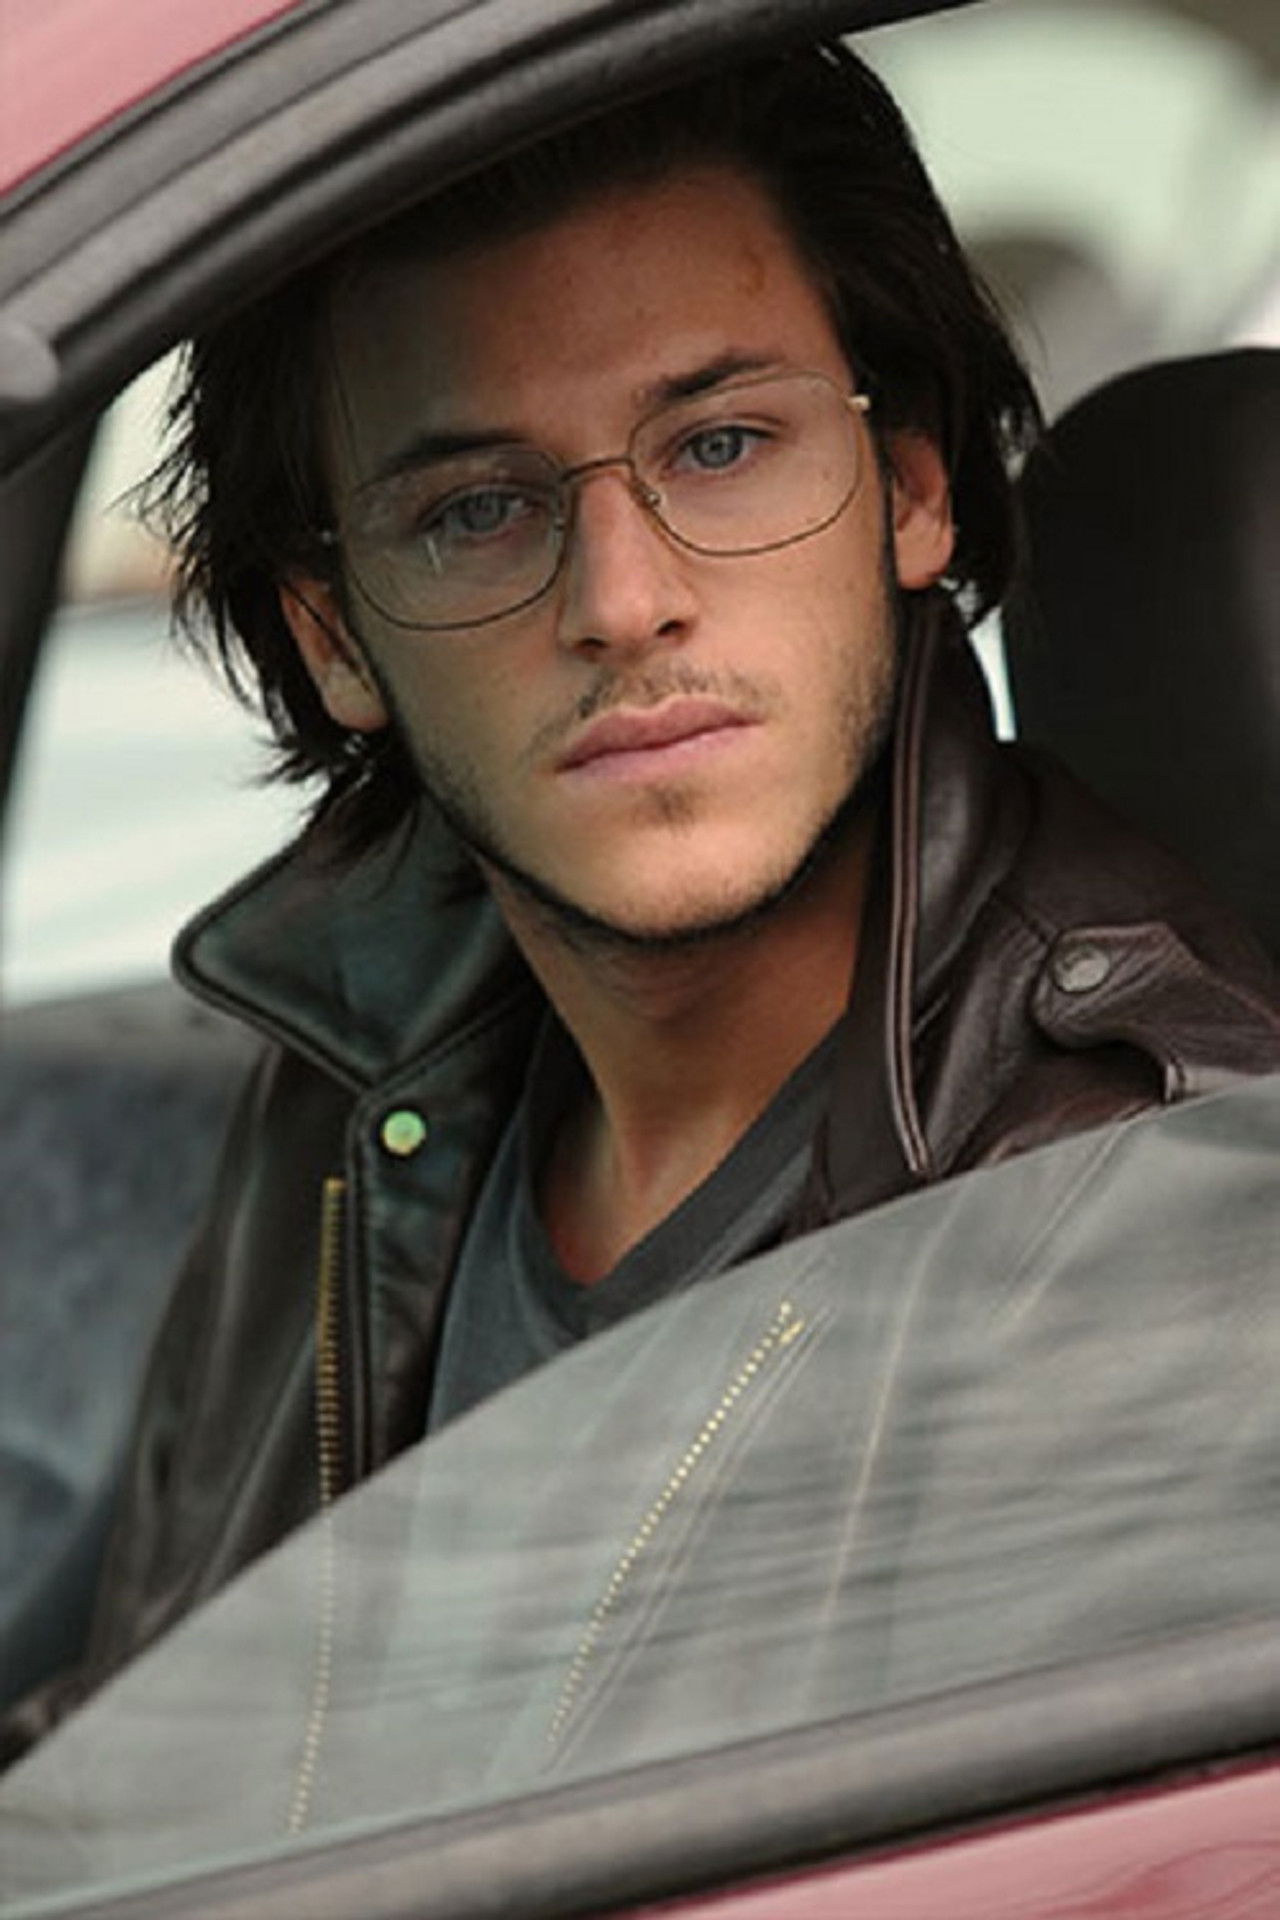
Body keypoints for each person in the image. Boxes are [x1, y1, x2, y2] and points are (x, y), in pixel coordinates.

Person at [8, 36, 1280, 1760]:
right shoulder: (352, 1094)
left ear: (910, 488)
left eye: (722, 443)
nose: (620, 598)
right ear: (332, 638)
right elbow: (137, 1763)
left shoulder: (1145, 1226)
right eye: (476, 510)